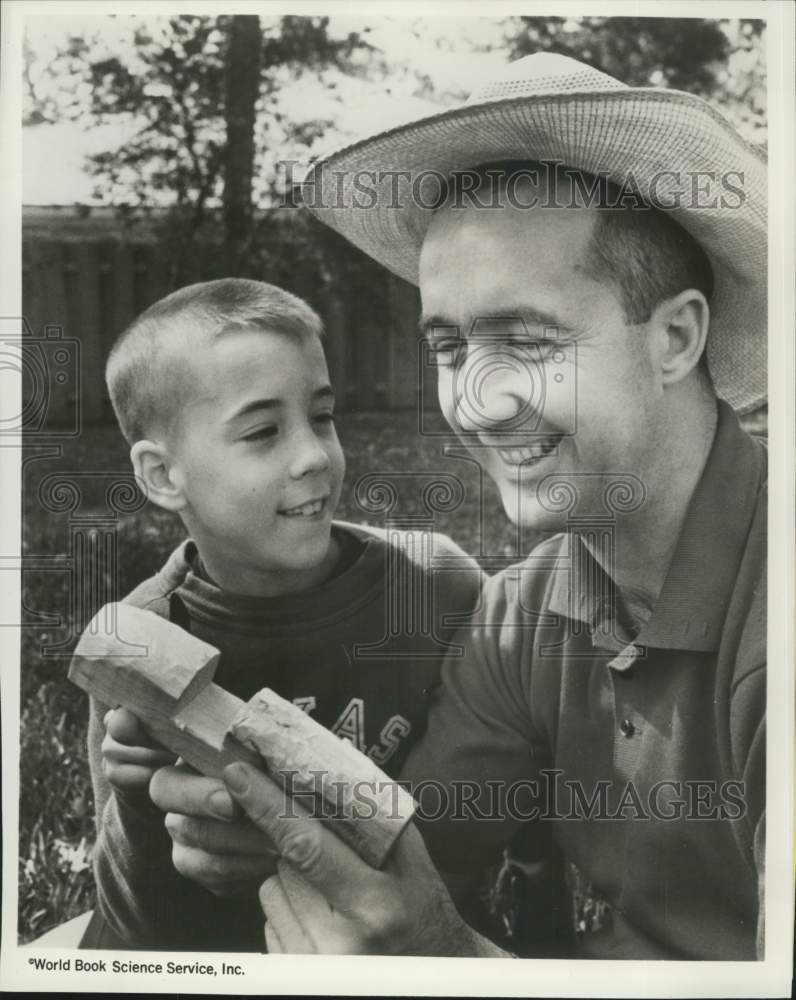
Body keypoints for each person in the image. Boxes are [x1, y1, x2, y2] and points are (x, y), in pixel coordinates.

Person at [214, 52, 767, 959]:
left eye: (525, 338)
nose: (477, 402)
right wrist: (261, 829)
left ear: (676, 337)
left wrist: (445, 956)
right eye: (449, 345)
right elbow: (415, 862)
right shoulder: (527, 612)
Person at [78, 277, 484, 951]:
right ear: (161, 475)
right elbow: (132, 926)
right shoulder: (140, 636)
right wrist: (140, 807)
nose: (314, 455)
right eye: (264, 431)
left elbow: (514, 824)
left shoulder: (435, 588)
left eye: (321, 416)